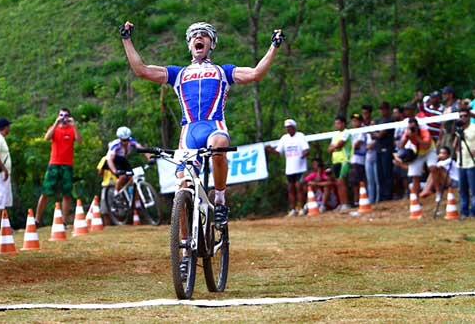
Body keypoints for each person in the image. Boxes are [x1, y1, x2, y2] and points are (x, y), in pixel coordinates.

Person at [120, 21, 283, 229]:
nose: (199, 37)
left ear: (212, 44)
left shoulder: (223, 71)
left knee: (219, 144)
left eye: (204, 35)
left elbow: (255, 74)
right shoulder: (178, 74)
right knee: (183, 187)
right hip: (189, 132)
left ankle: (221, 200)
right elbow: (141, 70)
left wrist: (274, 46)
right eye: (194, 35)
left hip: (213, 126)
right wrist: (126, 39)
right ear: (189, 45)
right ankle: (186, 248)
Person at [35, 108, 82, 227]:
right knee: (46, 192)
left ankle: (64, 221)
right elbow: (46, 138)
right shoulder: (55, 128)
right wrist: (56, 123)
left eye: (66, 116)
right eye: (61, 115)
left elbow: (79, 141)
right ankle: (37, 220)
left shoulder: (72, 130)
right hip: (54, 164)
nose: (63, 118)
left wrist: (74, 126)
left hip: (67, 165)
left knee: (66, 194)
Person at [267, 119, 310, 217]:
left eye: (290, 127)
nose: (288, 129)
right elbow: (279, 152)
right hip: (290, 168)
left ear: (294, 127)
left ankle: (302, 208)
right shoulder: (284, 138)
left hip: (300, 167)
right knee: (291, 188)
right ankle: (293, 209)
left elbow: (306, 149)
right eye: (287, 128)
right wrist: (271, 150)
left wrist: (304, 155)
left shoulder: (300, 136)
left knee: (299, 187)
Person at [399, 117, 440, 203]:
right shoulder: (407, 132)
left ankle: (438, 192)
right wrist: (406, 137)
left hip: (429, 150)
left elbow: (426, 145)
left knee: (432, 168)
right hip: (417, 153)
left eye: (414, 128)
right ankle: (416, 200)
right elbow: (400, 146)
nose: (412, 129)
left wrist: (416, 137)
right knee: (415, 175)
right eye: (411, 128)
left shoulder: (424, 132)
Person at [453, 108, 475, 218]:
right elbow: (454, 146)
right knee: (463, 190)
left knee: (473, 189)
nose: (463, 118)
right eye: (460, 116)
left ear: (469, 117)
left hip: (472, 162)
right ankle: (464, 211)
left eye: (465, 116)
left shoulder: (473, 128)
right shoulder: (459, 130)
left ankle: (473, 212)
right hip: (461, 162)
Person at [328, 115, 351, 210]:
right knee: (338, 182)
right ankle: (341, 203)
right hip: (336, 160)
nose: (336, 125)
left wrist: (334, 147)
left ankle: (346, 203)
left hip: (344, 160)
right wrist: (334, 147)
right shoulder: (335, 135)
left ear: (343, 123)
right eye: (335, 123)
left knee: (342, 181)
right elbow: (330, 149)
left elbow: (340, 145)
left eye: (338, 123)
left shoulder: (346, 133)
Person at [374, 102, 395, 201]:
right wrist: (375, 133)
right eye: (381, 109)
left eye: (384, 109)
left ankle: (388, 195)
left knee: (387, 172)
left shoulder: (390, 120)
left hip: (387, 148)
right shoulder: (379, 120)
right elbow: (372, 132)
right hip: (378, 149)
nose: (382, 111)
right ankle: (382, 196)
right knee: (380, 173)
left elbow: (380, 135)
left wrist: (375, 133)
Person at [362, 105, 379, 203]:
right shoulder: (362, 126)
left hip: (375, 152)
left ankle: (378, 199)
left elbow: (377, 137)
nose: (365, 115)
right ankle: (371, 199)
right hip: (367, 154)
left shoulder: (374, 123)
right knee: (370, 179)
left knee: (377, 179)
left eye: (366, 113)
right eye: (363, 113)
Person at [349, 114, 366, 206]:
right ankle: (356, 201)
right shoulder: (351, 132)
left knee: (359, 180)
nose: (354, 122)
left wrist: (349, 148)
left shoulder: (362, 131)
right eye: (353, 121)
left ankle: (361, 199)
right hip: (352, 159)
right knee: (353, 181)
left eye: (356, 120)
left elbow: (357, 145)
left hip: (359, 159)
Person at [440, 86, 459, 152]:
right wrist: (440, 138)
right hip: (445, 134)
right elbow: (442, 123)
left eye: (445, 94)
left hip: (453, 135)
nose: (443, 95)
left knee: (451, 155)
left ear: (451, 95)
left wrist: (453, 137)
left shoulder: (457, 105)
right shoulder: (445, 106)